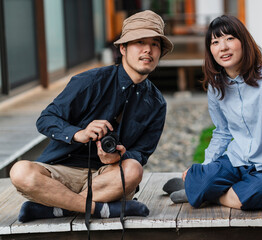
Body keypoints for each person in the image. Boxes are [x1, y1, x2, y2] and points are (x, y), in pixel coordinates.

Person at [10, 10, 173, 222]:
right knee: (20, 171)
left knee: (133, 169)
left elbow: (140, 154)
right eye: (139, 42)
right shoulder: (90, 81)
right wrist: (78, 133)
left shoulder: (156, 104)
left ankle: (60, 208)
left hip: (106, 179)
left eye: (155, 44)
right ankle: (102, 209)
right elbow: (46, 119)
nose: (148, 50)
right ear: (122, 48)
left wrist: (118, 157)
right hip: (60, 172)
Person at [163, 15, 262, 211]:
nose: (223, 47)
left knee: (255, 190)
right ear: (210, 50)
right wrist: (206, 169)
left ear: (243, 42)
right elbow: (222, 132)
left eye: (229, 38)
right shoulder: (216, 85)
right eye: (215, 42)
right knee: (205, 178)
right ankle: (204, 187)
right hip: (237, 161)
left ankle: (205, 193)